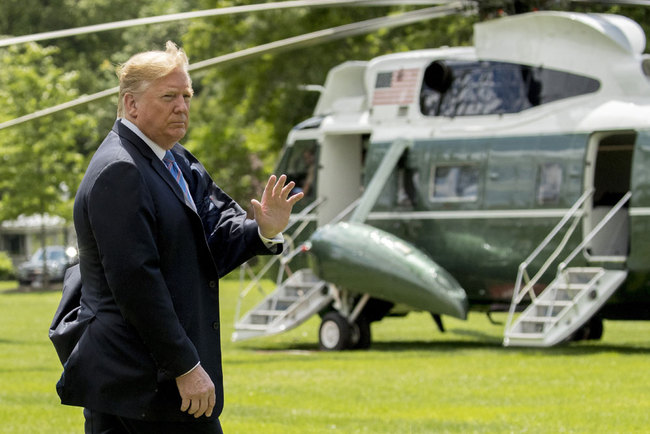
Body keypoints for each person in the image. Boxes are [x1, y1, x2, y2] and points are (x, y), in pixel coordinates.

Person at [55, 41, 303, 433]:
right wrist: (185, 366)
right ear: (131, 105)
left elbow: (214, 235)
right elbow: (137, 284)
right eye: (169, 96)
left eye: (186, 95)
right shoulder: (121, 171)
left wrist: (264, 230)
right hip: (143, 381)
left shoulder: (176, 161)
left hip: (143, 382)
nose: (182, 106)